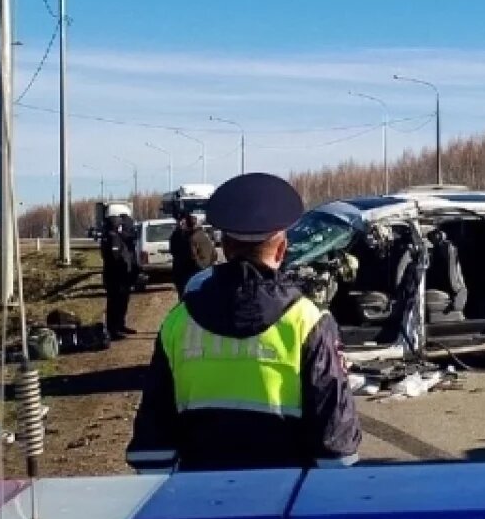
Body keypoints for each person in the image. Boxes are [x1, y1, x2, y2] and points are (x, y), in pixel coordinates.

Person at [126, 172, 361, 473]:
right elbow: (337, 446)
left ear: (224, 245)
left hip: (199, 498)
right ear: (281, 249)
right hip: (285, 503)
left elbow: (153, 443)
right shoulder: (308, 321)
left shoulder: (178, 321)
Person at [99, 214, 138, 339]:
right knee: (115, 303)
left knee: (121, 302)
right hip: (116, 277)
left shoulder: (114, 236)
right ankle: (113, 329)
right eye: (119, 225)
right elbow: (115, 258)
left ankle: (120, 325)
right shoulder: (112, 237)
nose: (121, 227)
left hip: (118, 277)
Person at [169, 212, 217, 299]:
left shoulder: (188, 237)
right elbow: (214, 255)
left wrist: (199, 264)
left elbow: (175, 252)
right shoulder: (203, 235)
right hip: (198, 273)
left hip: (189, 273)